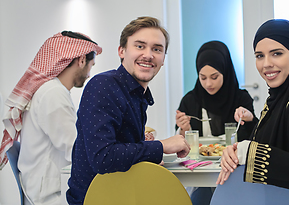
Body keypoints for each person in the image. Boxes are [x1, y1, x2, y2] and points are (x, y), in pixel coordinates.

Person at [66, 16, 190, 205]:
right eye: (140, 46)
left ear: (163, 58)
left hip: (122, 192)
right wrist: (162, 146)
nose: (148, 55)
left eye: (157, 49)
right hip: (96, 199)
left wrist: (147, 157)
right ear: (121, 51)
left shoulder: (136, 93)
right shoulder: (103, 86)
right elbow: (103, 157)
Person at [217, 19, 289, 195]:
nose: (266, 64)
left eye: (277, 53)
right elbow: (273, 144)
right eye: (259, 56)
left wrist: (248, 153)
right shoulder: (279, 98)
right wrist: (237, 150)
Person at [0, 31, 102, 205]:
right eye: (91, 65)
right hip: (49, 196)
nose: (89, 74)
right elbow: (75, 150)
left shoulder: (51, 90)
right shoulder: (53, 93)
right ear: (81, 60)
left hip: (39, 186)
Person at [175, 41, 258, 205]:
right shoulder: (190, 100)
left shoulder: (241, 99)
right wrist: (184, 129)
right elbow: (181, 144)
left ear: (225, 72)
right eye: (202, 77)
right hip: (200, 173)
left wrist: (249, 119)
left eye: (214, 77)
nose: (208, 84)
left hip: (234, 169)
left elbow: (254, 137)